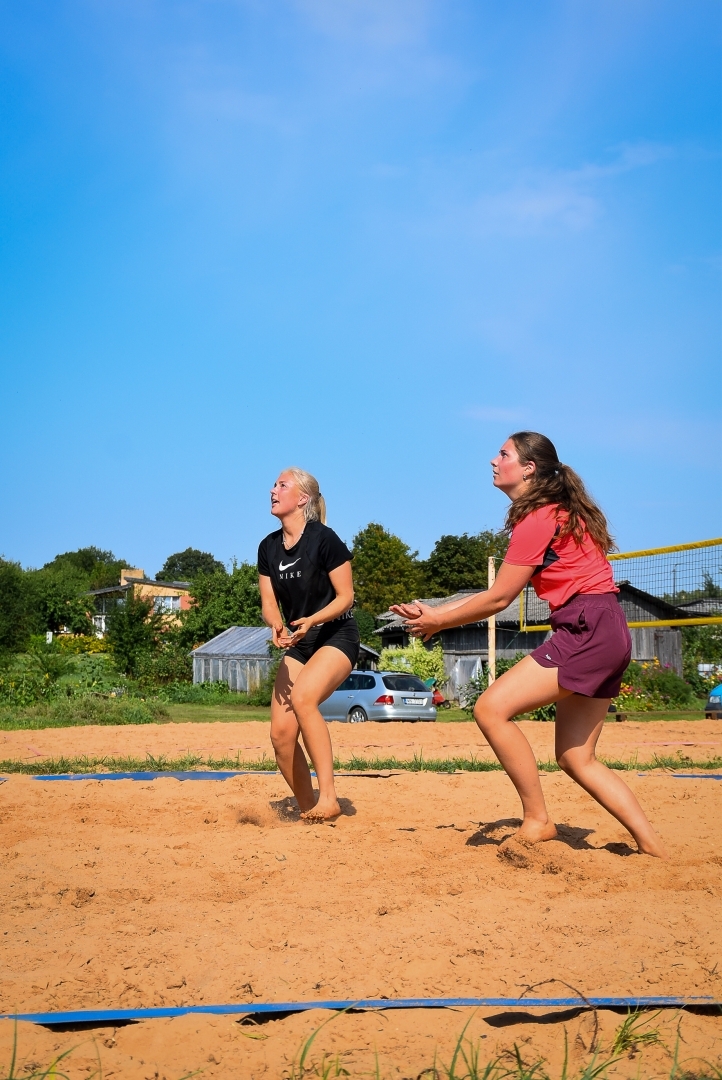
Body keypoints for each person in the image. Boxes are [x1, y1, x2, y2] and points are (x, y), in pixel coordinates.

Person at [392, 432, 668, 858]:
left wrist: (438, 618)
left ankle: (538, 819)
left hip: (586, 627)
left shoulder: (538, 518)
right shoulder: (560, 512)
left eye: (503, 454)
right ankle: (655, 849)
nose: (492, 460)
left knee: (490, 708)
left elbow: (500, 598)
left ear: (528, 468)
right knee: (578, 758)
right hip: (609, 626)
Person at [258, 468, 360, 822]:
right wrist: (275, 623)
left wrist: (314, 619)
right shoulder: (268, 546)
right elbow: (269, 602)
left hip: (336, 635)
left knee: (303, 699)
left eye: (281, 485)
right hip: (299, 642)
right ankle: (309, 809)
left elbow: (346, 598)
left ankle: (329, 797)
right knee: (281, 735)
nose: (273, 490)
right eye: (273, 484)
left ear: (302, 499)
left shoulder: (324, 538)